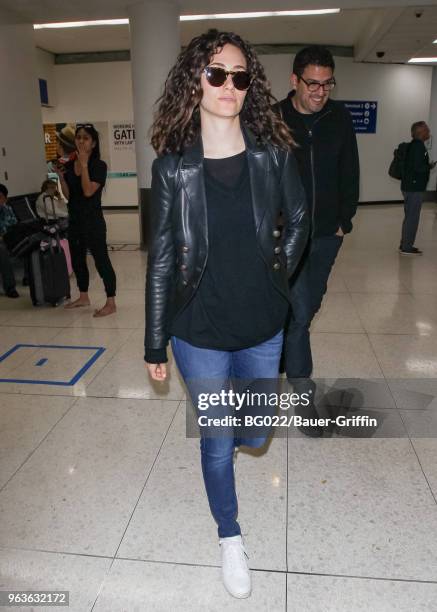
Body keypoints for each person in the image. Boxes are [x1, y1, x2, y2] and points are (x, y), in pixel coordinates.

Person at [144, 29, 308, 599]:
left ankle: (235, 429)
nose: (229, 86)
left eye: (240, 76)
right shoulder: (173, 170)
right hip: (199, 329)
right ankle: (229, 536)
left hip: (263, 323)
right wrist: (153, 342)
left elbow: (301, 219)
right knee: (217, 439)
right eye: (217, 74)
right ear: (196, 81)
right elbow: (162, 259)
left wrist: (276, 277)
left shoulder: (271, 156)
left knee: (256, 434)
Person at [275, 45, 359, 436]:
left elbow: (349, 170)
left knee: (305, 309)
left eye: (327, 84)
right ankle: (301, 386)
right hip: (285, 236)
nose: (321, 91)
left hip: (327, 234)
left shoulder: (338, 118)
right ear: (295, 81)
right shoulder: (273, 119)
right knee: (301, 309)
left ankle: (280, 355)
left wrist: (344, 220)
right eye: (313, 83)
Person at [55, 124, 116, 317]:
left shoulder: (99, 165)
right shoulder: (70, 165)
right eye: (78, 137)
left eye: (86, 138)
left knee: (101, 260)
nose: (81, 141)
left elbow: (88, 191)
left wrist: (83, 164)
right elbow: (69, 196)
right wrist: (62, 178)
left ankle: (111, 301)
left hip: (93, 221)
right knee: (77, 258)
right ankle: (83, 296)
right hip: (75, 220)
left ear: (94, 143)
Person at [399, 121, 435, 255]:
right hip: (414, 188)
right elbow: (418, 168)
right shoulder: (418, 147)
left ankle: (404, 243)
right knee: (412, 217)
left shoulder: (414, 146)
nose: (429, 132)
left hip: (409, 186)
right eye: (427, 130)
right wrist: (429, 167)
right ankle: (407, 247)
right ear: (420, 132)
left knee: (409, 216)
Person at [0, 184, 19, 298]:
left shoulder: (7, 208)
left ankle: (29, 276)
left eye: (1, 196)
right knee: (2, 249)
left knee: (28, 242)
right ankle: (10, 287)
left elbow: (14, 223)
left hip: (8, 237)